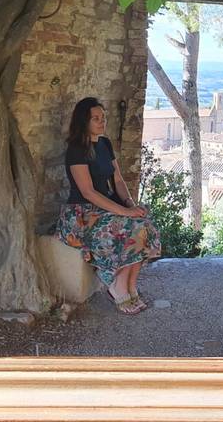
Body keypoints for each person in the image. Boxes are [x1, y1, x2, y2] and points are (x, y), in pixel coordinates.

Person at [57, 97, 161, 315]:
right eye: (95, 118)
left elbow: (118, 180)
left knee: (144, 225)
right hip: (82, 214)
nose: (101, 122)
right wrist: (124, 212)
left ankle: (130, 286)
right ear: (83, 121)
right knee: (129, 228)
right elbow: (88, 192)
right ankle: (117, 286)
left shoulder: (104, 144)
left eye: (103, 118)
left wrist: (131, 206)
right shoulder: (77, 149)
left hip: (106, 208)